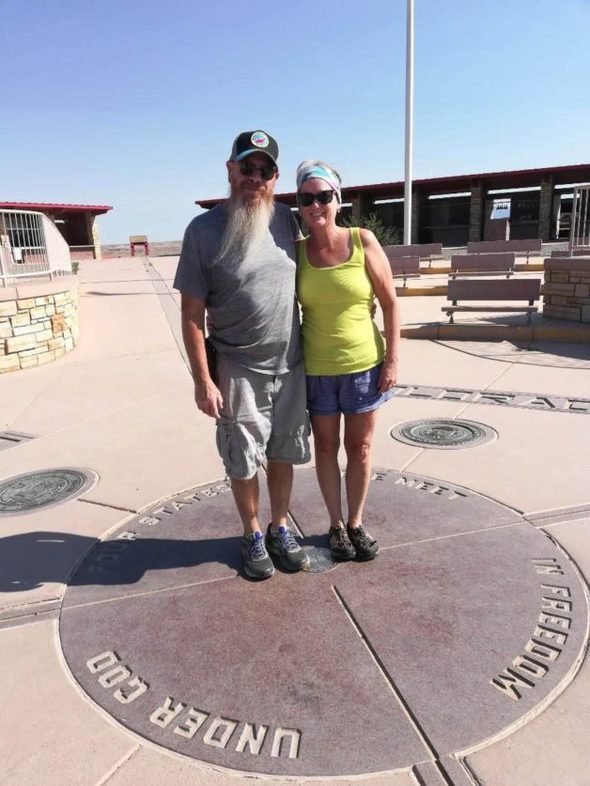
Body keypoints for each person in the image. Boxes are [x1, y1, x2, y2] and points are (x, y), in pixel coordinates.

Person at [174, 130, 311, 580]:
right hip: (237, 368)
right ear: (231, 169)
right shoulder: (203, 231)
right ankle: (252, 532)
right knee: (243, 457)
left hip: (291, 364)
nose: (255, 177)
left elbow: (330, 248)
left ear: (275, 177)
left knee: (284, 452)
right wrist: (202, 380)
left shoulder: (288, 220)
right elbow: (192, 314)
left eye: (265, 170)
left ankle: (279, 527)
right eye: (247, 167)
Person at [295, 160, 400, 562]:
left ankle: (355, 522)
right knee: (325, 448)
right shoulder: (298, 252)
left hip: (363, 366)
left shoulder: (363, 241)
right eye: (307, 198)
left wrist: (392, 362)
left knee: (360, 448)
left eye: (324, 196)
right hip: (317, 370)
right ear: (300, 204)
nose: (315, 205)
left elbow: (390, 304)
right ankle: (335, 525)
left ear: (338, 199)